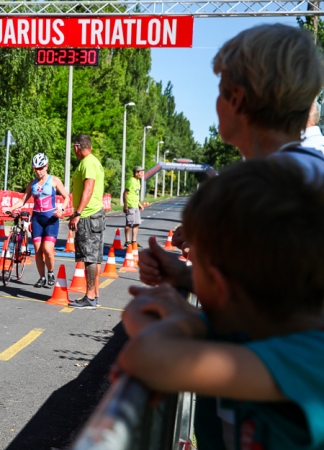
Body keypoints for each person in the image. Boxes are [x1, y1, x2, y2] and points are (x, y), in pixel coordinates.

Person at [116, 159, 324, 450]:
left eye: (194, 263)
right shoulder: (260, 332)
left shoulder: (308, 360)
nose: (191, 274)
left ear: (220, 286)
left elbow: (146, 355)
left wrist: (186, 321)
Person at [139, 23, 324, 293]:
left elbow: (254, 317)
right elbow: (270, 294)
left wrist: (169, 329)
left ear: (236, 99)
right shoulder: (312, 170)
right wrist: (182, 274)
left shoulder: (250, 190)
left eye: (220, 88)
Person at [4, 153, 70, 288]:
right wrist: (10, 208)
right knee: (38, 250)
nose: (38, 171)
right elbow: (23, 200)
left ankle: (50, 272)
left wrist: (61, 209)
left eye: (40, 168)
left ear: (46, 166)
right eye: (35, 169)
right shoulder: (32, 183)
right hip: (37, 219)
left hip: (51, 219)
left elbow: (67, 197)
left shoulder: (54, 180)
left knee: (47, 249)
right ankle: (42, 277)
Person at [67, 134, 105, 310]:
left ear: (77, 147)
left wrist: (77, 213)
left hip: (88, 216)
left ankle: (90, 297)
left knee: (89, 257)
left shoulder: (88, 163)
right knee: (95, 258)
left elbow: (88, 190)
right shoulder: (94, 161)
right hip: (95, 214)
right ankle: (94, 294)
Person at [123, 166, 145, 247]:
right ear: (136, 173)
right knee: (129, 223)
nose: (142, 174)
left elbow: (135, 194)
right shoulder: (130, 181)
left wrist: (140, 204)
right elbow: (125, 193)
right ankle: (127, 241)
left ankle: (134, 241)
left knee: (136, 223)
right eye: (141, 172)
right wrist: (125, 205)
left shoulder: (138, 181)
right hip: (130, 205)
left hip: (135, 205)